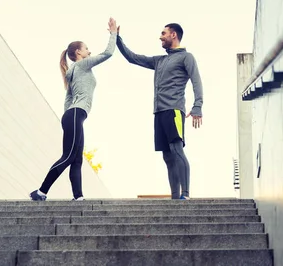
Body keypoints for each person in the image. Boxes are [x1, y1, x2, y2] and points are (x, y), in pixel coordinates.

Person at [30, 17, 118, 201]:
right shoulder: (82, 64)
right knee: (69, 156)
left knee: (77, 159)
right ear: (78, 52)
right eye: (86, 48)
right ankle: (41, 192)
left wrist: (68, 119)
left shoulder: (73, 71)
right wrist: (113, 33)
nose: (89, 51)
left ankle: (78, 197)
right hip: (75, 114)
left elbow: (68, 99)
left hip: (73, 115)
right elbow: (108, 53)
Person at [116, 23, 203, 200]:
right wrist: (116, 38)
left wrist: (197, 107)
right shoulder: (159, 60)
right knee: (167, 156)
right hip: (159, 112)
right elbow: (133, 58)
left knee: (177, 150)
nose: (160, 37)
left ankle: (185, 195)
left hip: (174, 110)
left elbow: (196, 81)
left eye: (163, 33)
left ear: (173, 35)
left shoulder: (187, 57)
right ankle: (174, 197)